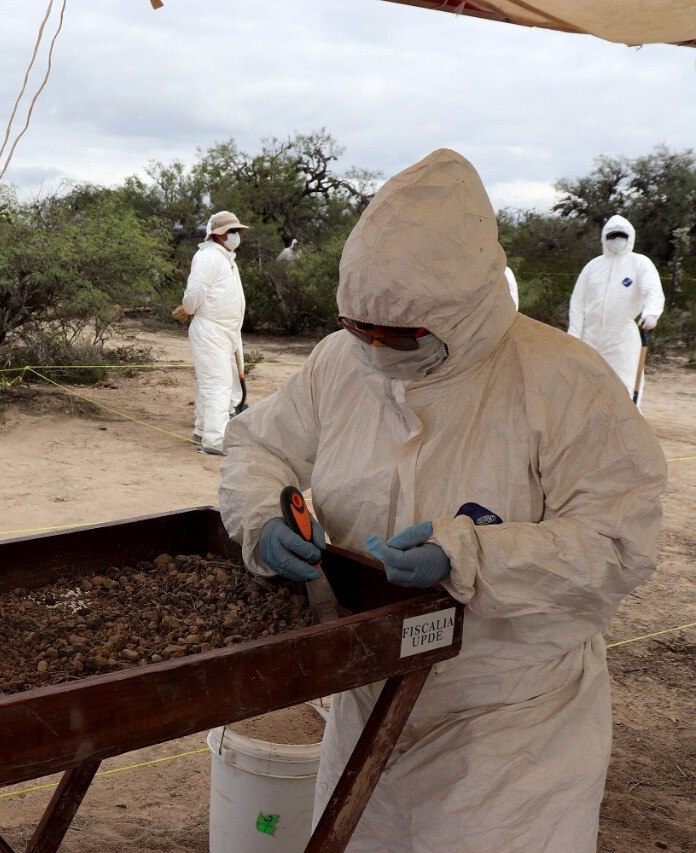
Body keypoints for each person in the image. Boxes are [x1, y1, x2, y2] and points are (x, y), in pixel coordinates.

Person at [219, 149, 666, 851]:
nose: (373, 346)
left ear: (463, 312)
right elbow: (258, 446)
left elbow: (621, 539)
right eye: (356, 325)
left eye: (397, 334)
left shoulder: (564, 382)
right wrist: (263, 515)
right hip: (366, 702)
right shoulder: (342, 363)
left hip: (512, 734)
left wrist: (471, 555)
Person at [568, 215, 664, 402]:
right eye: (612, 236)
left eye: (621, 235)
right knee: (586, 388)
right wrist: (574, 337)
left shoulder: (639, 263)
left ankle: (626, 429)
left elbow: (652, 290)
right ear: (605, 238)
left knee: (623, 388)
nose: (616, 240)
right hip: (590, 339)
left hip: (622, 341)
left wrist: (651, 313)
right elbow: (577, 304)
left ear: (630, 238)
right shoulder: (592, 267)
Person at [181, 210, 248, 456]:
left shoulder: (226, 257)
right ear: (219, 234)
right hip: (211, 329)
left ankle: (201, 430)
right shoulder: (208, 256)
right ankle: (214, 439)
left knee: (218, 383)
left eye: (238, 231)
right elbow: (194, 294)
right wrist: (188, 309)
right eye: (232, 231)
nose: (236, 235)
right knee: (217, 385)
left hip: (228, 331)